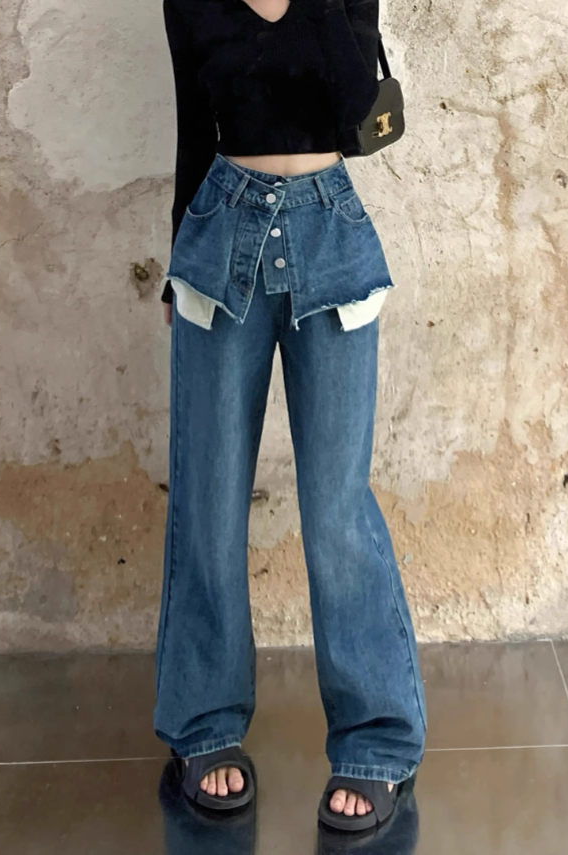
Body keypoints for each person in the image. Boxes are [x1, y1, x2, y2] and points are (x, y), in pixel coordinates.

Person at [154, 0, 427, 833]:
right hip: (218, 234)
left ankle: (377, 739)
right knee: (207, 501)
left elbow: (357, 113)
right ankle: (203, 726)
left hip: (328, 232)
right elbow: (192, 129)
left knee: (337, 509)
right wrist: (176, 258)